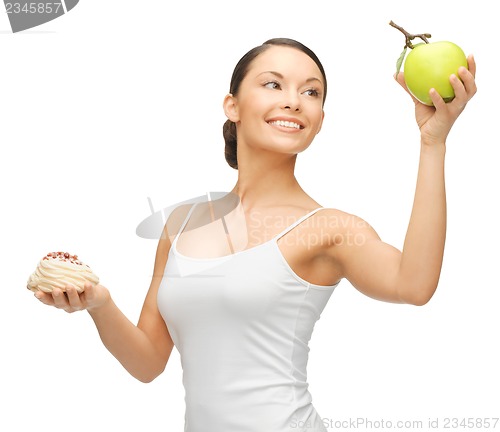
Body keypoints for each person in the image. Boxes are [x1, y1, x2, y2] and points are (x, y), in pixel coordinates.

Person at [33, 38, 477, 431]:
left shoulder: (330, 229)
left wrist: (432, 143)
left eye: (311, 92)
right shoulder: (181, 222)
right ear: (232, 106)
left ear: (320, 119)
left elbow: (414, 286)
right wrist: (99, 303)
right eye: (273, 84)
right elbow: (148, 362)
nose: (295, 101)